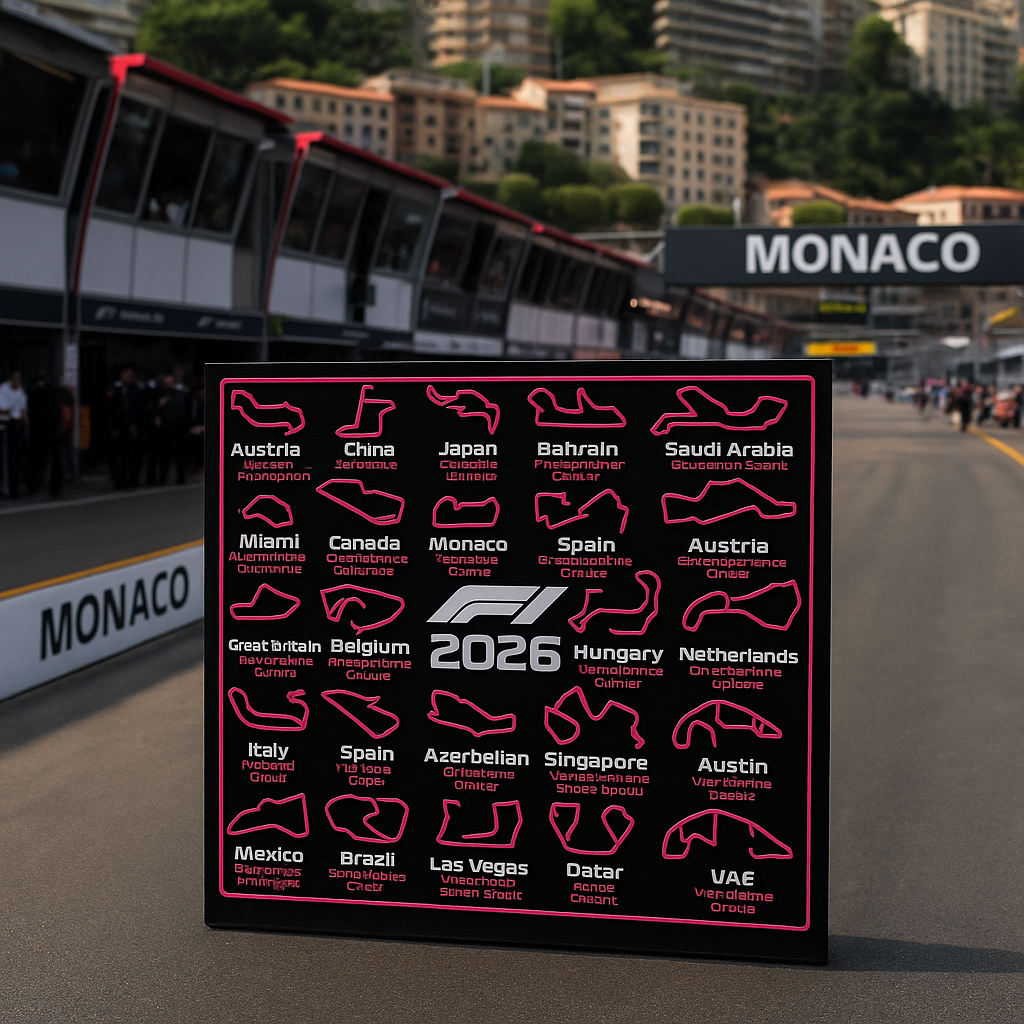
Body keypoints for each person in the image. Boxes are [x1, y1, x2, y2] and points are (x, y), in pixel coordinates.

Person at [0, 370, 28, 497]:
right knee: (6, 458)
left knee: (15, 457)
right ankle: (7, 487)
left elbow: (22, 410)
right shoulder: (4, 389)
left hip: (16, 425)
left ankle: (14, 488)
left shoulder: (20, 391)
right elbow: (3, 410)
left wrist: (20, 415)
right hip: (5, 425)